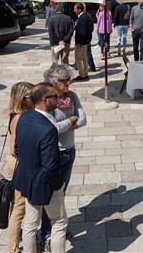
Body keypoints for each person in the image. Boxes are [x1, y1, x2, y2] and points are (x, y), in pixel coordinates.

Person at [12, 82, 68, 253]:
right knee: (59, 221)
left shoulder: (24, 117)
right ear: (44, 100)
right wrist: (58, 185)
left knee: (30, 222)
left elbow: (16, 149)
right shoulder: (48, 129)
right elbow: (50, 166)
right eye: (55, 97)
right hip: (45, 183)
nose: (58, 99)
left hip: (27, 180)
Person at [40, 64, 87, 246]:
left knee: (62, 193)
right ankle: (46, 233)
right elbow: (51, 129)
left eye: (69, 79)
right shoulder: (49, 101)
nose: (68, 83)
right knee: (51, 194)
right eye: (64, 80)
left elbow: (83, 120)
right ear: (53, 82)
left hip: (70, 150)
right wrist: (71, 120)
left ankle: (58, 227)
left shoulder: (72, 96)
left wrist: (67, 123)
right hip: (55, 154)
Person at [5, 82, 34, 253]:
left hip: (20, 163)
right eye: (31, 97)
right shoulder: (18, 117)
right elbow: (14, 148)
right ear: (23, 99)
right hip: (20, 163)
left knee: (18, 207)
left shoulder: (18, 113)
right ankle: (13, 249)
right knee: (19, 208)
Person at [74, 3, 94, 81]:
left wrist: (79, 42)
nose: (74, 10)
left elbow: (82, 32)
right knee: (84, 58)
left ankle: (82, 75)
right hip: (85, 42)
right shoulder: (86, 16)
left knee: (78, 58)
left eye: (75, 9)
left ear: (79, 9)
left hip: (81, 43)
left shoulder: (82, 18)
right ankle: (85, 73)